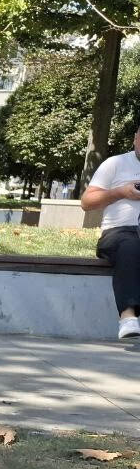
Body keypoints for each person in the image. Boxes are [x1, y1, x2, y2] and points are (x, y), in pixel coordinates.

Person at [81, 122, 140, 339]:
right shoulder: (115, 163)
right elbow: (87, 202)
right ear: (135, 139)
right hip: (118, 232)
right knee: (131, 246)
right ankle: (128, 317)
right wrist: (121, 192)